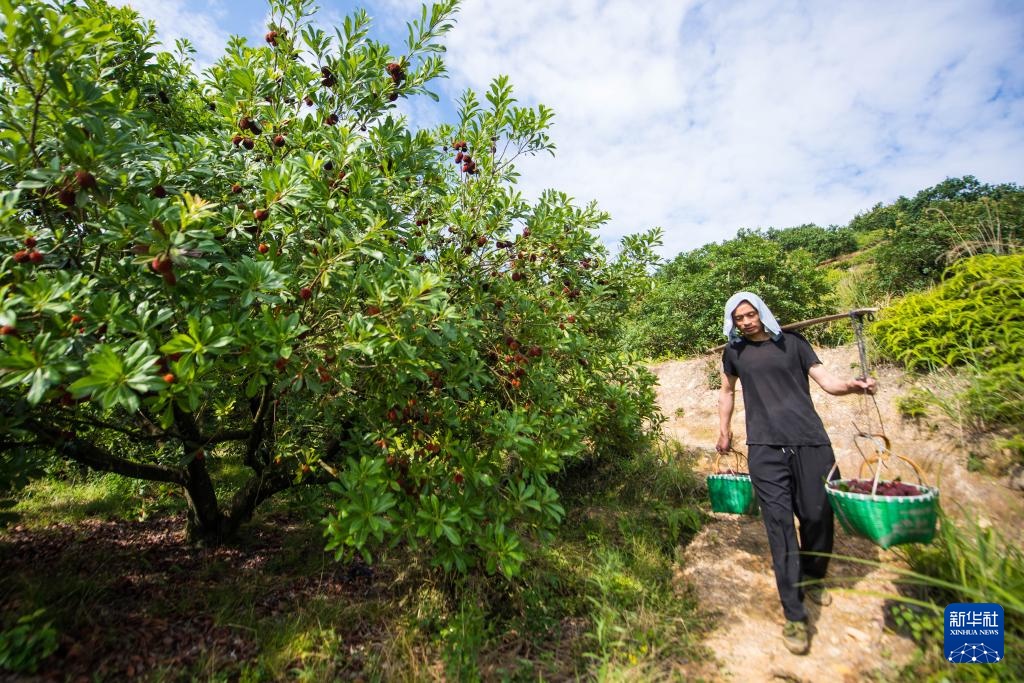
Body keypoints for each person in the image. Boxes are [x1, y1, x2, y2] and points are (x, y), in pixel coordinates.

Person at [716, 291, 877, 655]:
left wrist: (853, 386)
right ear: (732, 322)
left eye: (750, 315)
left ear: (761, 312)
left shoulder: (794, 343)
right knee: (780, 528)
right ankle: (795, 615)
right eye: (738, 318)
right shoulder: (733, 353)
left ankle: (814, 576)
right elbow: (727, 392)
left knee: (818, 514)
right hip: (765, 449)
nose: (745, 322)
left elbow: (828, 382)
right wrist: (723, 430)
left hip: (810, 442)